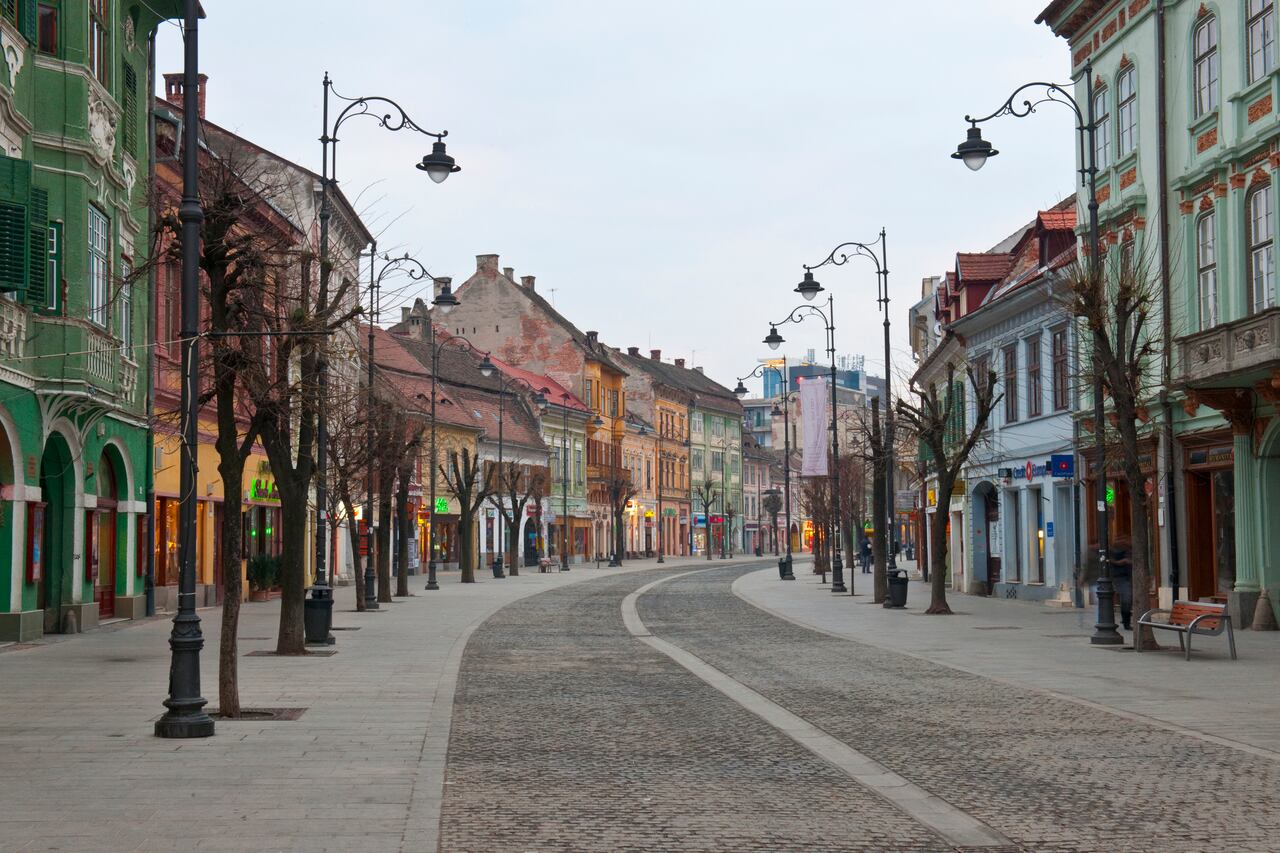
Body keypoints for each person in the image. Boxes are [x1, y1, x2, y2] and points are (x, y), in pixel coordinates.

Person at [1110, 536, 1134, 631]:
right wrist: (1121, 562)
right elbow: (1110, 561)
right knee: (1126, 600)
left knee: (1127, 601)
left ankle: (1126, 621)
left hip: (1128, 577)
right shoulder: (1114, 552)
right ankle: (1126, 622)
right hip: (1120, 578)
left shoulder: (1129, 551)